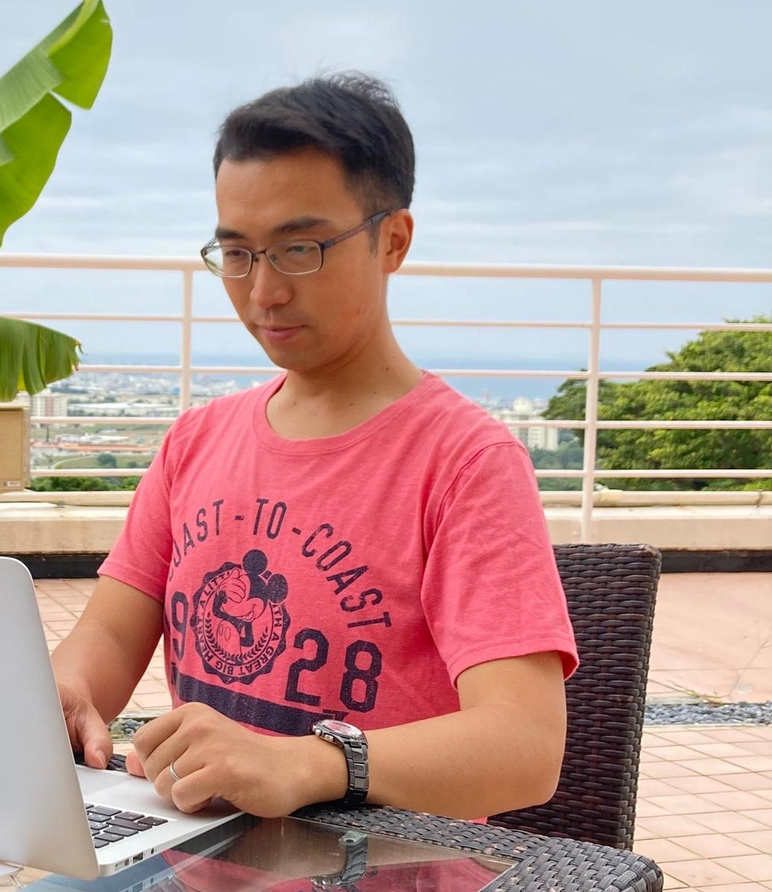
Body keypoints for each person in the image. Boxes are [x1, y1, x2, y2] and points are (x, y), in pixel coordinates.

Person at [51, 74, 578, 822]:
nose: (263, 291)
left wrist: (308, 763)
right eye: (237, 253)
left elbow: (524, 746)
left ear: (392, 240)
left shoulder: (464, 462)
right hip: (193, 856)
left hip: (388, 869)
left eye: (299, 248)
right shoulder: (195, 443)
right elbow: (109, 629)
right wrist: (67, 689)